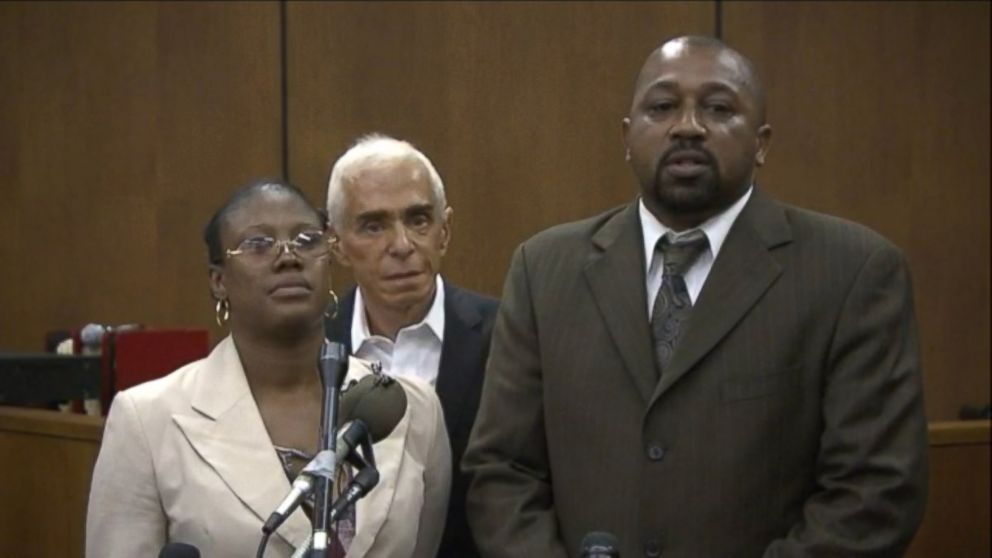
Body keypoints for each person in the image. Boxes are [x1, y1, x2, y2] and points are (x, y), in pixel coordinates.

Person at [463, 35, 928, 557]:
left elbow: (875, 491)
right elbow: (503, 469)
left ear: (762, 142)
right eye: (662, 107)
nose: (687, 126)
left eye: (719, 108)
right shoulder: (544, 268)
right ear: (626, 136)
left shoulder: (852, 271)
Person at [86, 179, 451, 558]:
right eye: (258, 244)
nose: (288, 256)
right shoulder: (147, 421)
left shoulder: (411, 407)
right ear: (218, 280)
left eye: (307, 240)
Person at [324, 134, 499, 557]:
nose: (402, 245)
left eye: (418, 219)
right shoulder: (314, 345)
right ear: (337, 245)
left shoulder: (508, 335)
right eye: (373, 225)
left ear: (445, 230)